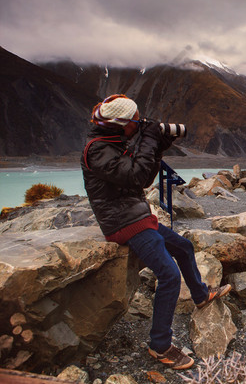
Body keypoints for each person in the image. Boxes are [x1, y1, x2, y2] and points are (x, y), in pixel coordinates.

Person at [81, 94, 231, 370]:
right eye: (135, 121)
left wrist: (158, 146)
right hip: (123, 223)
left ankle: (200, 295)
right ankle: (160, 346)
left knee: (184, 247)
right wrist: (149, 140)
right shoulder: (98, 150)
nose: (139, 124)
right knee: (169, 275)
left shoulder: (114, 143)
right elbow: (137, 177)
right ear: (120, 124)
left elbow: (143, 176)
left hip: (136, 215)